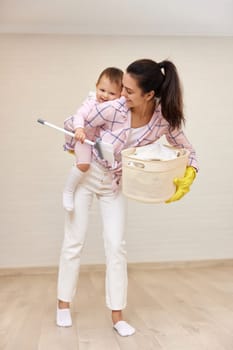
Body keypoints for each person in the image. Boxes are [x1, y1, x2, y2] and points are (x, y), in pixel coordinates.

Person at [56, 59, 198, 337]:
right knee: (74, 240)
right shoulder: (114, 106)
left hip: (116, 183)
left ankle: (117, 315)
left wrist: (190, 172)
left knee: (116, 246)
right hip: (88, 175)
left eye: (129, 91)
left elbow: (189, 150)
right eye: (123, 88)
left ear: (149, 95)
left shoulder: (163, 121)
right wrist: (79, 136)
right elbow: (75, 121)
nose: (122, 95)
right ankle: (63, 305)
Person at [63, 67, 123, 211]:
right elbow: (79, 115)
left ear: (120, 95)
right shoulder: (91, 101)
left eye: (112, 93)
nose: (105, 95)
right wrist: (79, 129)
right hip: (84, 139)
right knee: (84, 165)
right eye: (102, 90)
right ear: (96, 86)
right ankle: (68, 190)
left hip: (98, 145)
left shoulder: (116, 108)